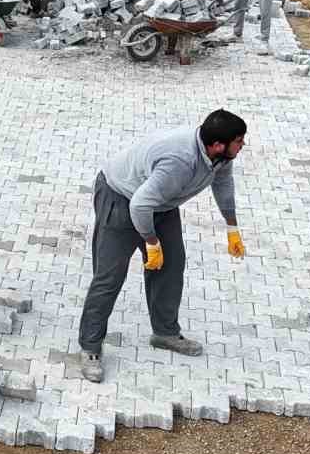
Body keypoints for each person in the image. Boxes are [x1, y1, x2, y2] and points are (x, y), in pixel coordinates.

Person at [76, 109, 249, 383]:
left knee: (171, 265)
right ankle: (90, 346)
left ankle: (165, 333)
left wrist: (232, 226)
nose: (242, 146)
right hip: (121, 198)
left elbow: (223, 182)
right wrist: (152, 241)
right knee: (109, 277)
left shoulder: (219, 156)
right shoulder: (179, 161)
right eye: (239, 141)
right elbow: (140, 204)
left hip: (160, 202)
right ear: (217, 144)